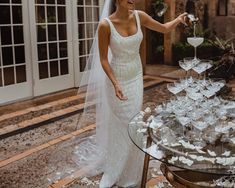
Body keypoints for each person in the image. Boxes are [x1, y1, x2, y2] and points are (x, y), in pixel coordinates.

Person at [77, 0, 187, 187]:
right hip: (116, 79)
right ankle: (115, 167)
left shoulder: (139, 16)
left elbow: (164, 28)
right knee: (121, 124)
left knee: (134, 123)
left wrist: (177, 19)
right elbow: (103, 59)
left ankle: (132, 171)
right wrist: (115, 83)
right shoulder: (106, 25)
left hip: (135, 78)